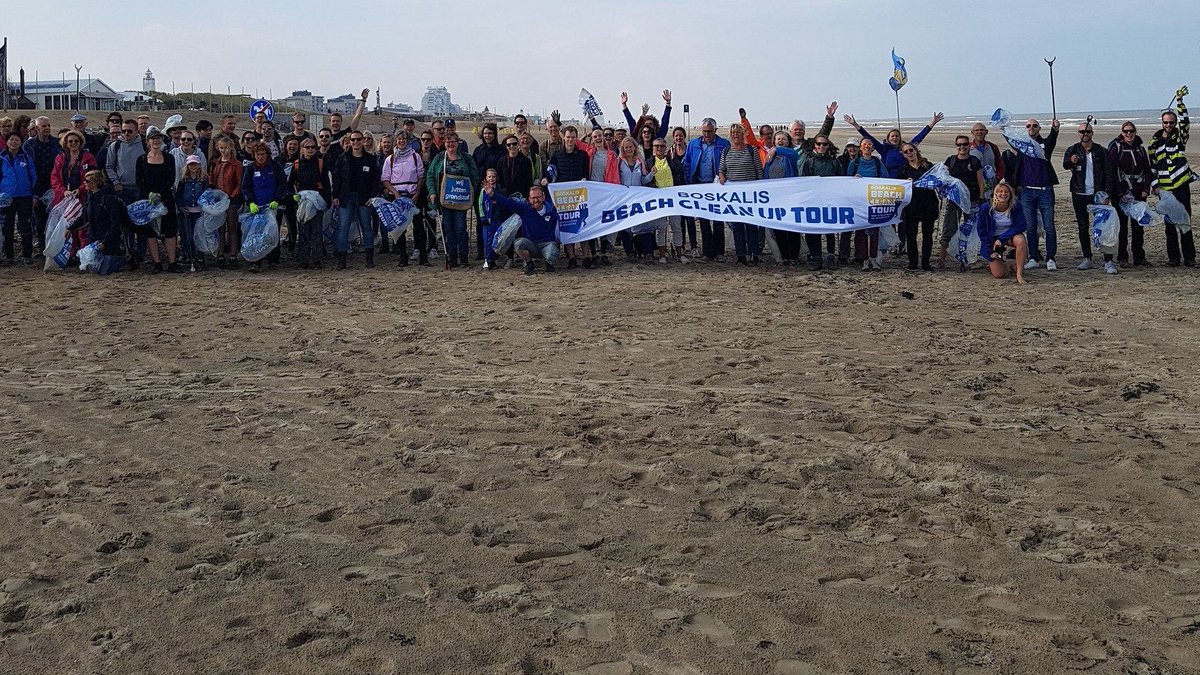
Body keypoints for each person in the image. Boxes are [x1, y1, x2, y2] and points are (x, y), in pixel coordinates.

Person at [1005, 117, 1060, 271]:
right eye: (1028, 126)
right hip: (1027, 192)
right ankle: (1034, 257)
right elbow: (1010, 140)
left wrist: (1055, 129)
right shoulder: (1023, 146)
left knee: (1049, 226)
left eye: (1035, 125)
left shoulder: (1044, 145)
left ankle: (1050, 258)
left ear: (1039, 128)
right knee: (1030, 227)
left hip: (1045, 191)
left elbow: (1052, 140)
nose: (1031, 128)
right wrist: (1003, 127)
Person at [1148, 94, 1195, 267]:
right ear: (1162, 123)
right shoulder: (1154, 143)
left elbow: (1185, 123)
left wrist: (1180, 102)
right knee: (1169, 224)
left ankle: (1189, 258)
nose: (1169, 125)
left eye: (1171, 122)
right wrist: (1155, 185)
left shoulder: (1180, 137)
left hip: (1181, 184)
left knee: (1184, 220)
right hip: (1165, 189)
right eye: (1166, 122)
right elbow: (1151, 166)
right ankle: (1173, 258)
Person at [1062, 122, 1114, 273]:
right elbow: (1065, 165)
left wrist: (1107, 194)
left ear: (1092, 133)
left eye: (1088, 131)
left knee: (1103, 227)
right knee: (1083, 226)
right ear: (1078, 133)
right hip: (1079, 193)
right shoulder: (1073, 150)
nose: (1085, 134)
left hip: (1098, 195)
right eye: (1081, 131)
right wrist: (1071, 161)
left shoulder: (1101, 151)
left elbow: (1109, 173)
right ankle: (1087, 258)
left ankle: (1108, 260)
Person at [424, 129, 477, 269]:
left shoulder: (466, 158)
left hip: (461, 199)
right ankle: (452, 256)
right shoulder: (439, 158)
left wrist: (471, 191)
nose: (450, 144)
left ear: (458, 142)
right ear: (444, 143)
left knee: (460, 227)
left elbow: (474, 176)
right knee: (448, 228)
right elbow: (430, 176)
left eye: (453, 141)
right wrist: (432, 192)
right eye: (448, 141)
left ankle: (464, 256)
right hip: (445, 199)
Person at [331, 130, 381, 270]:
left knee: (367, 227)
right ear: (350, 141)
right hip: (345, 197)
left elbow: (375, 180)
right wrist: (335, 195)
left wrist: (373, 195)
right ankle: (341, 260)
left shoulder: (370, 159)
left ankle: (369, 258)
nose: (356, 142)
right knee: (343, 228)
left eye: (359, 139)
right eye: (353, 140)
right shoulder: (343, 158)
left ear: (363, 141)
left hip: (364, 198)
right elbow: (336, 178)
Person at [1106, 122, 1154, 267]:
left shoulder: (1140, 149)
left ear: (1135, 131)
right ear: (1122, 132)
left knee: (1139, 226)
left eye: (1131, 131)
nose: (1129, 134)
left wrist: (1146, 189)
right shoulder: (1116, 149)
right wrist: (1120, 193)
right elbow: (1112, 172)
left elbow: (1147, 170)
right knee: (1122, 227)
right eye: (1126, 131)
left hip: (1139, 193)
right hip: (1121, 194)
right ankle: (1122, 257)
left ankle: (1139, 256)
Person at [683, 118, 731, 261]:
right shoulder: (693, 144)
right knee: (703, 220)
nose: (707, 134)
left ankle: (719, 252)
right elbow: (687, 163)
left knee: (718, 220)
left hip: (717, 186)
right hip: (699, 185)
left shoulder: (723, 144)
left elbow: (728, 164)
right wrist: (688, 182)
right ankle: (707, 252)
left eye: (709, 131)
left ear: (715, 131)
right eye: (704, 131)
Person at [484, 184, 559, 275]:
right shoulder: (524, 209)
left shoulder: (552, 210)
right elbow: (508, 203)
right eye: (533, 198)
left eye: (538, 197)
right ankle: (529, 263)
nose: (536, 200)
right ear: (529, 199)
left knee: (552, 254)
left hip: (547, 244)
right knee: (519, 244)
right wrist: (493, 194)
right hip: (531, 244)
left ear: (543, 197)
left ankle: (549, 263)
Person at [135, 126, 182, 273]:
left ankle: (172, 262)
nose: (156, 141)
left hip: (166, 198)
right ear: (148, 141)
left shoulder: (169, 158)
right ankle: (157, 263)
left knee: (170, 230)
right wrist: (149, 194)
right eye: (153, 138)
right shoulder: (141, 159)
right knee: (150, 232)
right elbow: (139, 180)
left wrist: (160, 194)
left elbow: (171, 178)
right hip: (148, 200)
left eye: (158, 138)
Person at [799, 135, 849, 270]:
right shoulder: (809, 162)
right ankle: (816, 257)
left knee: (830, 229)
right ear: (815, 145)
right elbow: (804, 182)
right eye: (819, 144)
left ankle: (831, 255)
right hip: (813, 201)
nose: (821, 146)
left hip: (830, 201)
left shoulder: (834, 162)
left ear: (828, 146)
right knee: (812, 230)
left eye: (824, 144)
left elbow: (841, 180)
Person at [936, 135, 986, 268]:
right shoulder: (950, 161)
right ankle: (942, 258)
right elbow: (944, 178)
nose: (962, 147)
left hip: (972, 201)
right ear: (956, 146)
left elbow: (981, 181)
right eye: (959, 145)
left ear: (969, 145)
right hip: (954, 200)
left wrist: (981, 197)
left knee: (970, 230)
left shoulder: (974, 161)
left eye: (964, 144)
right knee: (949, 228)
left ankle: (967, 259)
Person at [718, 124, 764, 265]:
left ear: (743, 134)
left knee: (751, 226)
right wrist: (721, 176)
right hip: (734, 196)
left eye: (738, 132)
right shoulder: (726, 151)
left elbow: (759, 171)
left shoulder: (752, 150)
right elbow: (721, 169)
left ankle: (754, 254)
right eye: (733, 133)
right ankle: (741, 255)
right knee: (737, 226)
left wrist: (760, 189)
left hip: (750, 195)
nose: (736, 135)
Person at [66, 171, 126, 276]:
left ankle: (123, 259)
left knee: (104, 271)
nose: (84, 183)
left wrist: (105, 242)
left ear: (95, 183)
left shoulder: (109, 198)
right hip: (94, 239)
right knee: (94, 269)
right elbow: (84, 217)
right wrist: (70, 228)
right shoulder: (89, 197)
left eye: (87, 181)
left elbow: (115, 224)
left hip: (108, 241)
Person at [843, 111, 944, 173]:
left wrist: (932, 123)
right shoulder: (884, 149)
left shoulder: (906, 148)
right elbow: (869, 137)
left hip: (905, 177)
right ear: (888, 138)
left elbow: (920, 137)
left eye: (897, 136)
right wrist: (855, 125)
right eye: (892, 136)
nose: (895, 138)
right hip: (889, 179)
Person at [381, 132, 424, 266]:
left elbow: (421, 176)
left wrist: (417, 194)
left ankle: (423, 256)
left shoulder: (415, 156)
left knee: (419, 227)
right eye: (399, 139)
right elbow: (385, 179)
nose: (401, 141)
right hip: (397, 196)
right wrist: (395, 193)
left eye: (404, 139)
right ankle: (403, 256)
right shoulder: (391, 159)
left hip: (413, 195)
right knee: (400, 227)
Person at [846, 138, 889, 270]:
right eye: (864, 144)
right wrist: (854, 180)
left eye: (869, 144)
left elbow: (886, 178)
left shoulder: (877, 163)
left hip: (874, 201)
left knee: (874, 231)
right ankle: (864, 259)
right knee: (860, 232)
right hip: (859, 202)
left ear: (873, 148)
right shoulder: (855, 163)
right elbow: (846, 181)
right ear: (860, 147)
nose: (866, 146)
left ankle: (874, 259)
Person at [894, 143, 939, 271]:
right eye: (906, 152)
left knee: (927, 235)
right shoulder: (903, 170)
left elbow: (938, 180)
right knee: (911, 235)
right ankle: (913, 262)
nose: (909, 153)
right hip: (911, 207)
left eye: (910, 150)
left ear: (915, 150)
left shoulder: (928, 166)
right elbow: (898, 189)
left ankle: (926, 262)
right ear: (903, 155)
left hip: (928, 204)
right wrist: (905, 183)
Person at [977, 182, 1029, 284]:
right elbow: (981, 231)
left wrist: (1001, 239)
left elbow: (1022, 225)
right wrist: (990, 251)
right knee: (999, 274)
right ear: (995, 194)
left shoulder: (1016, 206)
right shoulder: (986, 208)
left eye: (1006, 192)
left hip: (1009, 236)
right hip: (992, 240)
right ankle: (1008, 265)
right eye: (1000, 192)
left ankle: (1019, 274)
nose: (1003, 194)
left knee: (1021, 240)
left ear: (1010, 194)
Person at [23, 116, 61, 255]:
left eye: (48, 125)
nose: (47, 128)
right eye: (43, 126)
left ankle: (53, 245)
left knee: (55, 216)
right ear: (36, 128)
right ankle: (41, 244)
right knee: (38, 218)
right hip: (36, 186)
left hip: (54, 185)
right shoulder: (29, 145)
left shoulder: (57, 143)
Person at [289, 137, 327, 269]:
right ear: (302, 149)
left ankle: (317, 259)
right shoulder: (297, 164)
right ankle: (303, 260)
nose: (310, 149)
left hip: (317, 200)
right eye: (308, 147)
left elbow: (326, 183)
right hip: (302, 201)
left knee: (316, 230)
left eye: (313, 147)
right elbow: (290, 184)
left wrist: (325, 200)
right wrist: (294, 197)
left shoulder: (320, 163)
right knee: (303, 231)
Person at [618, 136, 657, 261]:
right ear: (623, 148)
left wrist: (652, 173)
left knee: (641, 224)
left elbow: (644, 180)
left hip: (637, 198)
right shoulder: (619, 161)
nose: (628, 149)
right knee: (625, 226)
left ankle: (647, 252)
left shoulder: (640, 162)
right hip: (624, 198)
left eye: (631, 147)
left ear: (635, 147)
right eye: (626, 147)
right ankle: (629, 252)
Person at [1, 132, 37, 265]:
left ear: (21, 142)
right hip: (6, 198)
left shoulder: (26, 158)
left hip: (24, 196)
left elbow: (33, 176)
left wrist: (34, 194)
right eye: (11, 140)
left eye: (17, 140)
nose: (14, 142)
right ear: (7, 142)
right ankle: (8, 256)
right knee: (7, 227)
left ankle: (27, 254)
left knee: (25, 227)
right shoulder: (1, 158)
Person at [649, 136, 686, 263]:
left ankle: (679, 253)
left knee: (676, 226)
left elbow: (680, 171)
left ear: (665, 148)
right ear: (653, 148)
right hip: (658, 200)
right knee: (661, 228)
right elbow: (646, 180)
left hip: (673, 198)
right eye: (656, 146)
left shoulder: (671, 160)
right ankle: (662, 255)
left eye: (662, 146)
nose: (659, 148)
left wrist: (674, 158)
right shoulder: (649, 162)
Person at [209, 136, 244, 269]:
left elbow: (239, 182)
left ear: (231, 148)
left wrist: (232, 196)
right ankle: (221, 254)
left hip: (231, 200)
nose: (224, 151)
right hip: (219, 200)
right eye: (221, 148)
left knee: (232, 228)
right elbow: (212, 179)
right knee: (220, 228)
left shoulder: (236, 164)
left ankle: (233, 254)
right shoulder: (216, 163)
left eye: (226, 148)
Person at [175, 156, 207, 270]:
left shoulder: (203, 180)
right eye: (191, 164)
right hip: (186, 212)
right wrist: (182, 207)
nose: (193, 166)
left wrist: (205, 207)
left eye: (195, 164)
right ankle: (189, 255)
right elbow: (178, 196)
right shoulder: (183, 181)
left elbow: (206, 194)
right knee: (187, 235)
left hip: (199, 212)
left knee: (199, 234)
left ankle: (200, 256)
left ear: (199, 165)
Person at [969, 122, 1005, 199]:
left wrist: (997, 178)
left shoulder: (993, 147)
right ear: (972, 132)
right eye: (977, 130)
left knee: (989, 209)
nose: (979, 132)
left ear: (986, 132)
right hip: (973, 187)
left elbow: (1000, 165)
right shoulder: (967, 148)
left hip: (991, 187)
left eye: (982, 130)